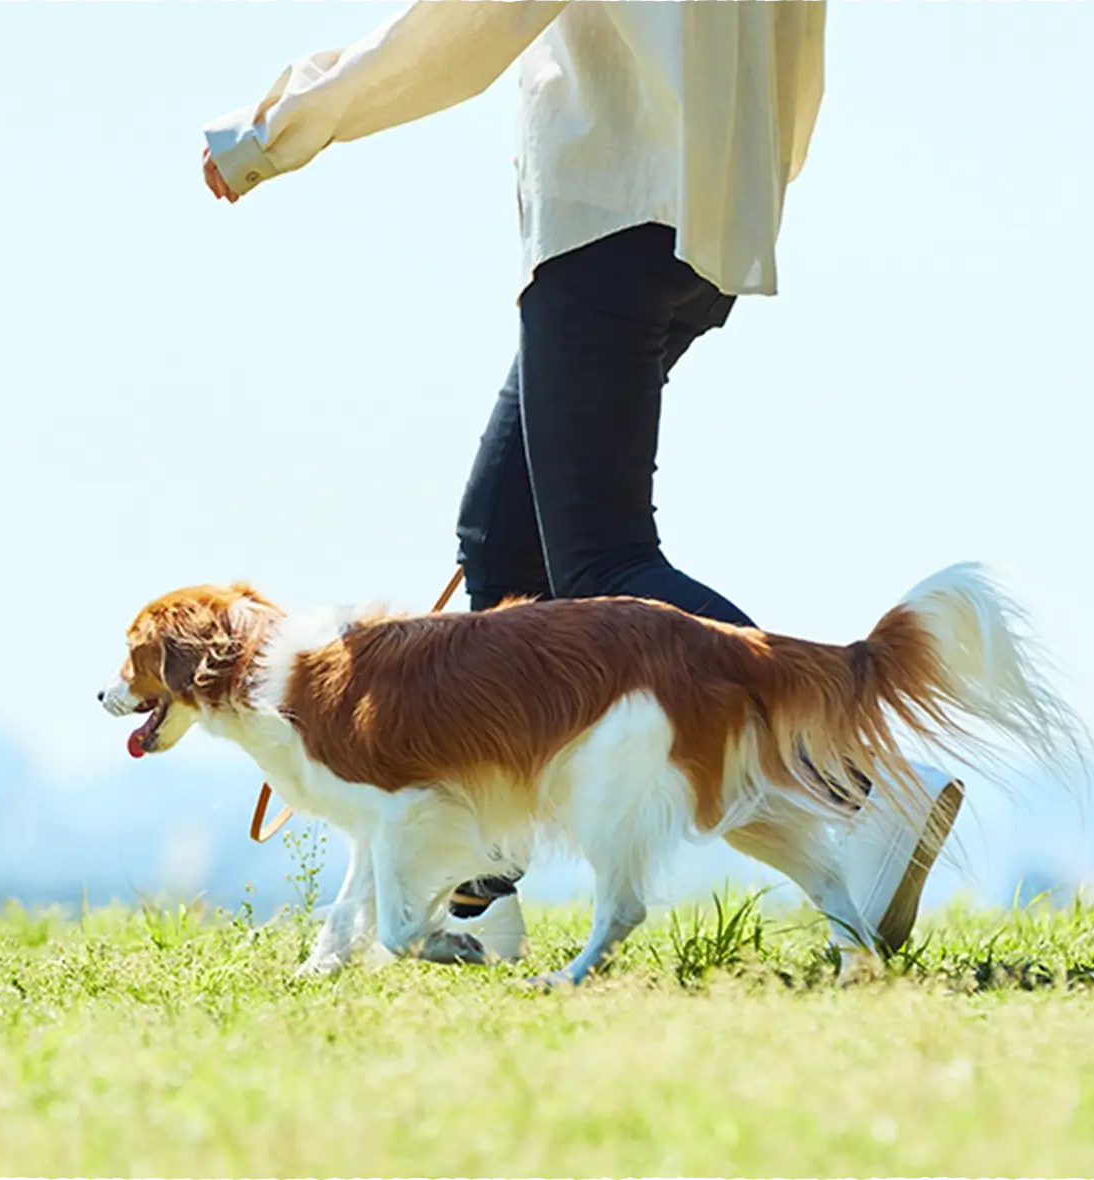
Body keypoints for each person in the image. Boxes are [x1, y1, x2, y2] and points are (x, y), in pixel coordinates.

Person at [203, 0, 960, 954]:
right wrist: (745, 173)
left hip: (611, 210)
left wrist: (273, 132)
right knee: (503, 546)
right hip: (709, 215)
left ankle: (868, 784)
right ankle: (478, 889)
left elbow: (465, 28)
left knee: (603, 560)